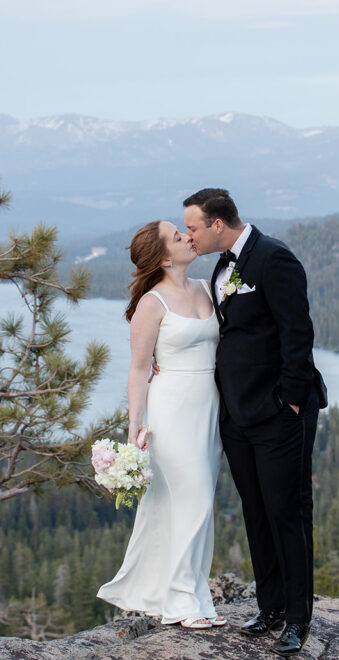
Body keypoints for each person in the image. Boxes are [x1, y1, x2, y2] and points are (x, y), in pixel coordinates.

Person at [183, 188, 326, 657]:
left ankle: (299, 619)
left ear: (218, 225)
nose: (190, 236)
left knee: (288, 513)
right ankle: (270, 608)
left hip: (278, 414)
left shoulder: (274, 259)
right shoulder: (223, 265)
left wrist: (289, 402)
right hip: (237, 416)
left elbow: (298, 334)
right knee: (256, 513)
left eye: (194, 228)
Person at [96, 219, 226, 629]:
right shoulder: (152, 304)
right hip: (171, 409)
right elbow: (137, 370)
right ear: (165, 257)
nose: (189, 236)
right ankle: (181, 601)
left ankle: (194, 596)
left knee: (198, 505)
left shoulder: (208, 288)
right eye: (177, 235)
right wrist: (135, 429)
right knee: (196, 497)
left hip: (211, 408)